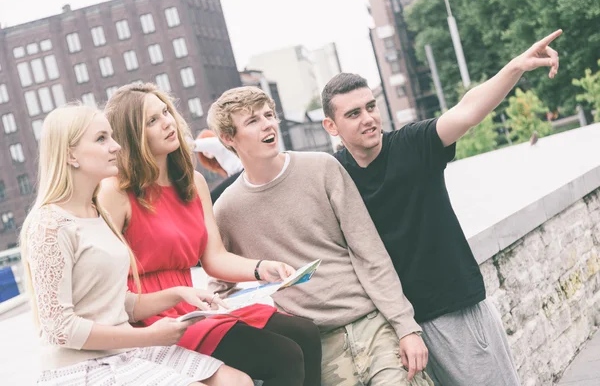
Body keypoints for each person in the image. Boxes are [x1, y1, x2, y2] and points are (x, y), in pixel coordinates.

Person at [320, 29, 563, 386]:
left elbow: (467, 110)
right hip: (395, 330)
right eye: (353, 113)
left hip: (453, 310)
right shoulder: (333, 174)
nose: (368, 118)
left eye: (371, 107)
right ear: (331, 126)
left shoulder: (413, 144)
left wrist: (516, 67)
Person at [207, 86, 433, 386]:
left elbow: (370, 253)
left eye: (269, 115)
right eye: (252, 121)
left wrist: (406, 327)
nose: (267, 125)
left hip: (373, 326)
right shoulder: (225, 209)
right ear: (228, 138)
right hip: (317, 348)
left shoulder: (322, 167)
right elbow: (219, 293)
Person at [99, 82, 321, 386]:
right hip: (148, 315)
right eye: (152, 120)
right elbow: (101, 279)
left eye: (166, 111)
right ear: (132, 136)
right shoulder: (116, 191)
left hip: (193, 305)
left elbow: (214, 258)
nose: (167, 122)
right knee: (283, 356)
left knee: (305, 334)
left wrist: (261, 268)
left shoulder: (193, 183)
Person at [19, 104, 249, 385]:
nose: (116, 146)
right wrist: (147, 336)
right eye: (101, 138)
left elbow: (117, 303)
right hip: (82, 368)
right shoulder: (49, 224)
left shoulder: (97, 213)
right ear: (70, 154)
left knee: (237, 381)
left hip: (124, 354)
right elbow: (59, 328)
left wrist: (179, 293)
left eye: (112, 137)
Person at [192, 129, 243, 202]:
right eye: (202, 151)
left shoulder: (218, 143)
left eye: (205, 148)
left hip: (241, 173)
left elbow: (193, 145)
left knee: (212, 198)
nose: (205, 152)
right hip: (239, 176)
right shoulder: (219, 158)